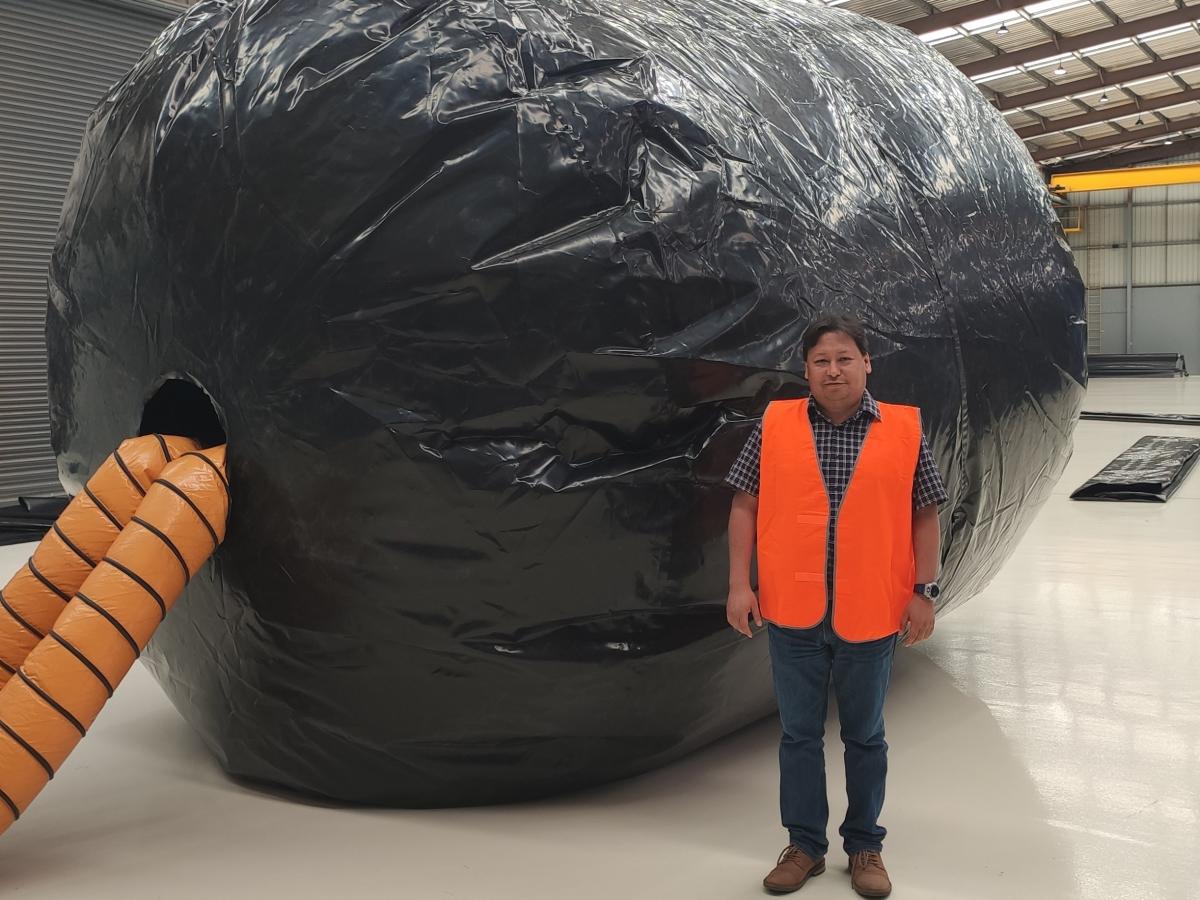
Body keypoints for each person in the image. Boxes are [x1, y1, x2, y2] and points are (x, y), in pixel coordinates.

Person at [724, 313, 948, 898]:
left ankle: (865, 846)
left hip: (871, 614)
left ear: (867, 363)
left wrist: (924, 593)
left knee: (865, 737)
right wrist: (738, 585)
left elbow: (926, 512)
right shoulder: (775, 426)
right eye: (821, 361)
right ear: (806, 370)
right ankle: (804, 846)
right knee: (798, 735)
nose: (833, 370)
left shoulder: (901, 431)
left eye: (845, 358)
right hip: (793, 612)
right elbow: (744, 505)